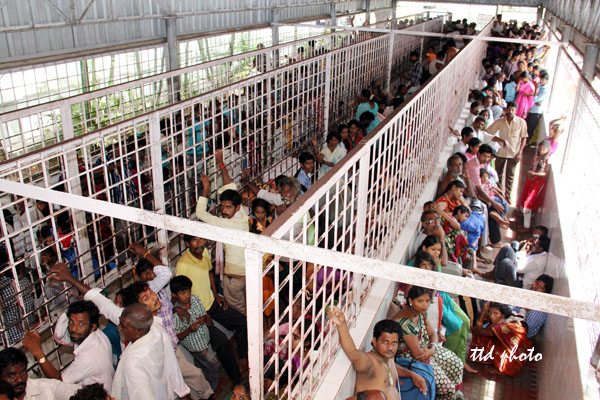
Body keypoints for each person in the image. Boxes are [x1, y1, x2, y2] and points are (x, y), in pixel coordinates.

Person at [47, 264, 193, 400]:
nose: (118, 327)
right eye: (146, 297)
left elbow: (172, 375)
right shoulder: (138, 323)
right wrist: (71, 278)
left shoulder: (135, 361)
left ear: (137, 330)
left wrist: (182, 392)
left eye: (122, 325)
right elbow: (103, 304)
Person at [127, 244, 212, 399]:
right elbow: (165, 272)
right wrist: (144, 253)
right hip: (169, 350)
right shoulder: (147, 291)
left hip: (173, 345)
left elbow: (165, 310)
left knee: (188, 378)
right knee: (195, 375)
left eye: (150, 272)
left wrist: (176, 309)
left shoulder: (154, 291)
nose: (148, 276)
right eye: (144, 273)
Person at [175, 235, 248, 381]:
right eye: (194, 240)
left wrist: (216, 295)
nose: (199, 243)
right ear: (187, 244)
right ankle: (237, 379)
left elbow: (209, 272)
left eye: (201, 239)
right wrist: (177, 308)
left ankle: (244, 359)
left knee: (241, 321)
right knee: (222, 343)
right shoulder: (183, 264)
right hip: (199, 312)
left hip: (212, 303)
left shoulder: (205, 253)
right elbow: (178, 288)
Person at [328, 306, 427, 400]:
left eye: (394, 343)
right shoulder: (369, 363)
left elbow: (389, 369)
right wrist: (341, 325)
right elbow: (353, 353)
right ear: (375, 341)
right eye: (385, 342)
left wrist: (412, 374)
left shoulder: (388, 358)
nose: (390, 347)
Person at [197, 149, 249, 315]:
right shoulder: (243, 215)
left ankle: (247, 337)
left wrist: (206, 188)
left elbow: (200, 214)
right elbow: (230, 187)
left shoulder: (225, 224)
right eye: (223, 207)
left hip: (234, 277)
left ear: (236, 207)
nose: (224, 210)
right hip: (247, 271)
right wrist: (221, 163)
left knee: (238, 311)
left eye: (228, 207)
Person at [22, 301, 114, 393]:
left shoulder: (88, 356)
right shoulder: (98, 335)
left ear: (92, 326)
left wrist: (38, 353)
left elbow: (58, 382)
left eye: (81, 324)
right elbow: (61, 336)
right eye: (71, 322)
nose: (74, 328)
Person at [393, 287, 463, 400]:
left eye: (427, 301)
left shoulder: (419, 313)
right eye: (420, 301)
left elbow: (433, 334)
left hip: (427, 350)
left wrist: (433, 347)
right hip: (411, 359)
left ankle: (455, 394)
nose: (425, 305)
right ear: (410, 300)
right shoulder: (404, 322)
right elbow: (419, 355)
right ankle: (446, 395)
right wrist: (431, 349)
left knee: (456, 364)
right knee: (447, 387)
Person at [170, 276, 220, 391]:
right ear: (175, 295)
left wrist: (204, 318)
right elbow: (177, 336)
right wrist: (189, 330)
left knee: (203, 365)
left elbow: (206, 316)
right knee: (214, 365)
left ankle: (204, 385)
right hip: (196, 347)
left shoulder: (195, 300)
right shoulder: (177, 315)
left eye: (188, 291)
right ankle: (210, 389)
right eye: (183, 293)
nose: (187, 295)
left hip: (204, 340)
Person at [470, 302, 532, 377]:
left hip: (514, 361)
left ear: (503, 315)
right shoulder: (510, 315)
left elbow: (478, 331)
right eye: (490, 312)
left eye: (496, 313)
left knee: (482, 336)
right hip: (518, 353)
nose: (492, 316)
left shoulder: (503, 326)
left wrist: (484, 311)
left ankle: (502, 368)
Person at [0, 347, 80, 400]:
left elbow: (86, 394)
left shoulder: (48, 387)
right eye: (12, 375)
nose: (19, 380)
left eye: (23, 372)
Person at [487, 102, 528, 200]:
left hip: (514, 153)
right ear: (506, 110)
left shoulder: (521, 122)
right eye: (509, 109)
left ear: (516, 111)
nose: (510, 112)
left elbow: (524, 138)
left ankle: (508, 196)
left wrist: (520, 152)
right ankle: (500, 194)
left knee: (510, 176)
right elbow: (488, 132)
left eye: (512, 110)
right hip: (501, 152)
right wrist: (497, 140)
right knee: (498, 173)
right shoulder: (500, 122)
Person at [518, 140, 551, 229]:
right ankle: (525, 221)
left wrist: (534, 174)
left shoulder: (547, 160)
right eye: (541, 148)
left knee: (529, 203)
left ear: (548, 149)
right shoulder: (536, 157)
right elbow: (532, 167)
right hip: (531, 180)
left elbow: (545, 174)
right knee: (525, 199)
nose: (541, 150)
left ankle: (526, 226)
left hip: (537, 183)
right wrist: (530, 173)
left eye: (544, 149)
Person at [525, 71, 549, 140]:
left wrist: (536, 90)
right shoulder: (541, 87)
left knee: (530, 128)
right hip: (533, 109)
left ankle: (526, 143)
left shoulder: (545, 90)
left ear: (547, 80)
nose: (541, 81)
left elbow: (535, 99)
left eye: (543, 79)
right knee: (527, 125)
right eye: (541, 79)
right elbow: (535, 99)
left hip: (536, 112)